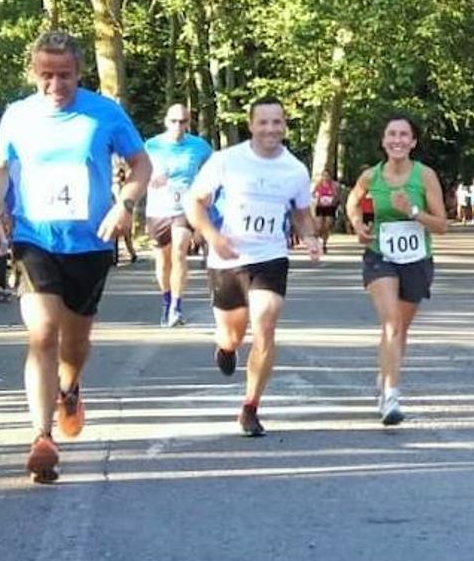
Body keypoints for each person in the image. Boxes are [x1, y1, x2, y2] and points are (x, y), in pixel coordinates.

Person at [0, 31, 150, 484]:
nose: (55, 85)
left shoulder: (104, 113)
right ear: (33, 72)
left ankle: (70, 389)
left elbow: (141, 165)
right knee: (42, 334)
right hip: (36, 238)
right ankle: (41, 436)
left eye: (65, 76)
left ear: (80, 73)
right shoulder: (18, 116)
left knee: (73, 345)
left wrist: (125, 205)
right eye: (46, 76)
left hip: (91, 241)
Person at [186, 98, 321, 437]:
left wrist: (310, 237)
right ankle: (226, 347)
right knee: (232, 335)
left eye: (277, 122)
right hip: (227, 258)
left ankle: (250, 407)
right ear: (251, 125)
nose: (270, 129)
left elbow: (302, 213)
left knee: (264, 325)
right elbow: (195, 201)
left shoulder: (295, 169)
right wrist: (211, 235)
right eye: (263, 122)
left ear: (285, 126)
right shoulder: (226, 160)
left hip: (270, 257)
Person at [345, 113, 448, 427]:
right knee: (390, 322)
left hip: (416, 259)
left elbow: (442, 225)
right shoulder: (371, 176)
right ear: (383, 140)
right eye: (392, 134)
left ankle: (385, 373)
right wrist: (359, 224)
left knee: (400, 328)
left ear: (413, 142)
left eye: (404, 135)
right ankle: (391, 395)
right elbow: (353, 201)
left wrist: (413, 212)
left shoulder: (424, 176)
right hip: (380, 256)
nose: (398, 140)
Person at [143, 103, 213, 327]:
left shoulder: (199, 146)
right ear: (166, 122)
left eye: (183, 121)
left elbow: (212, 173)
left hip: (185, 207)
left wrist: (204, 197)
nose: (178, 126)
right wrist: (150, 178)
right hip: (158, 207)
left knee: (179, 253)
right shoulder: (151, 145)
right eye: (174, 121)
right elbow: (137, 169)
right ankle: (166, 300)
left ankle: (176, 305)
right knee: (163, 261)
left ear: (188, 123)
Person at [311, 170, 340, 254]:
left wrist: (333, 200)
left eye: (327, 175)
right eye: (324, 175)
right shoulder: (319, 184)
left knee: (327, 226)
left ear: (330, 176)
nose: (325, 177)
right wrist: (317, 198)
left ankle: (324, 244)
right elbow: (313, 194)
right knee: (319, 226)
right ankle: (317, 242)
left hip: (330, 207)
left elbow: (337, 196)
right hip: (320, 206)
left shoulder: (334, 185)